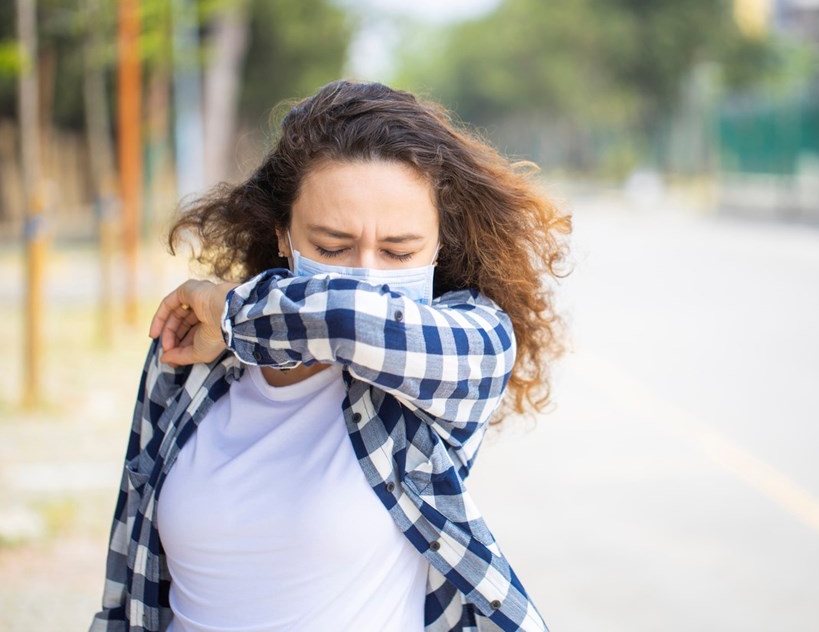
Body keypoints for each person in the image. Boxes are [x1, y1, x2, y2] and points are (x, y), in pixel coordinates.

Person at [90, 80, 571, 632]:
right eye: (332, 247)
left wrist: (234, 313)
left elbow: (351, 317)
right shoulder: (197, 357)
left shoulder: (463, 350)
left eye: (399, 251)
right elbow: (127, 574)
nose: (367, 275)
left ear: (440, 247)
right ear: (282, 236)